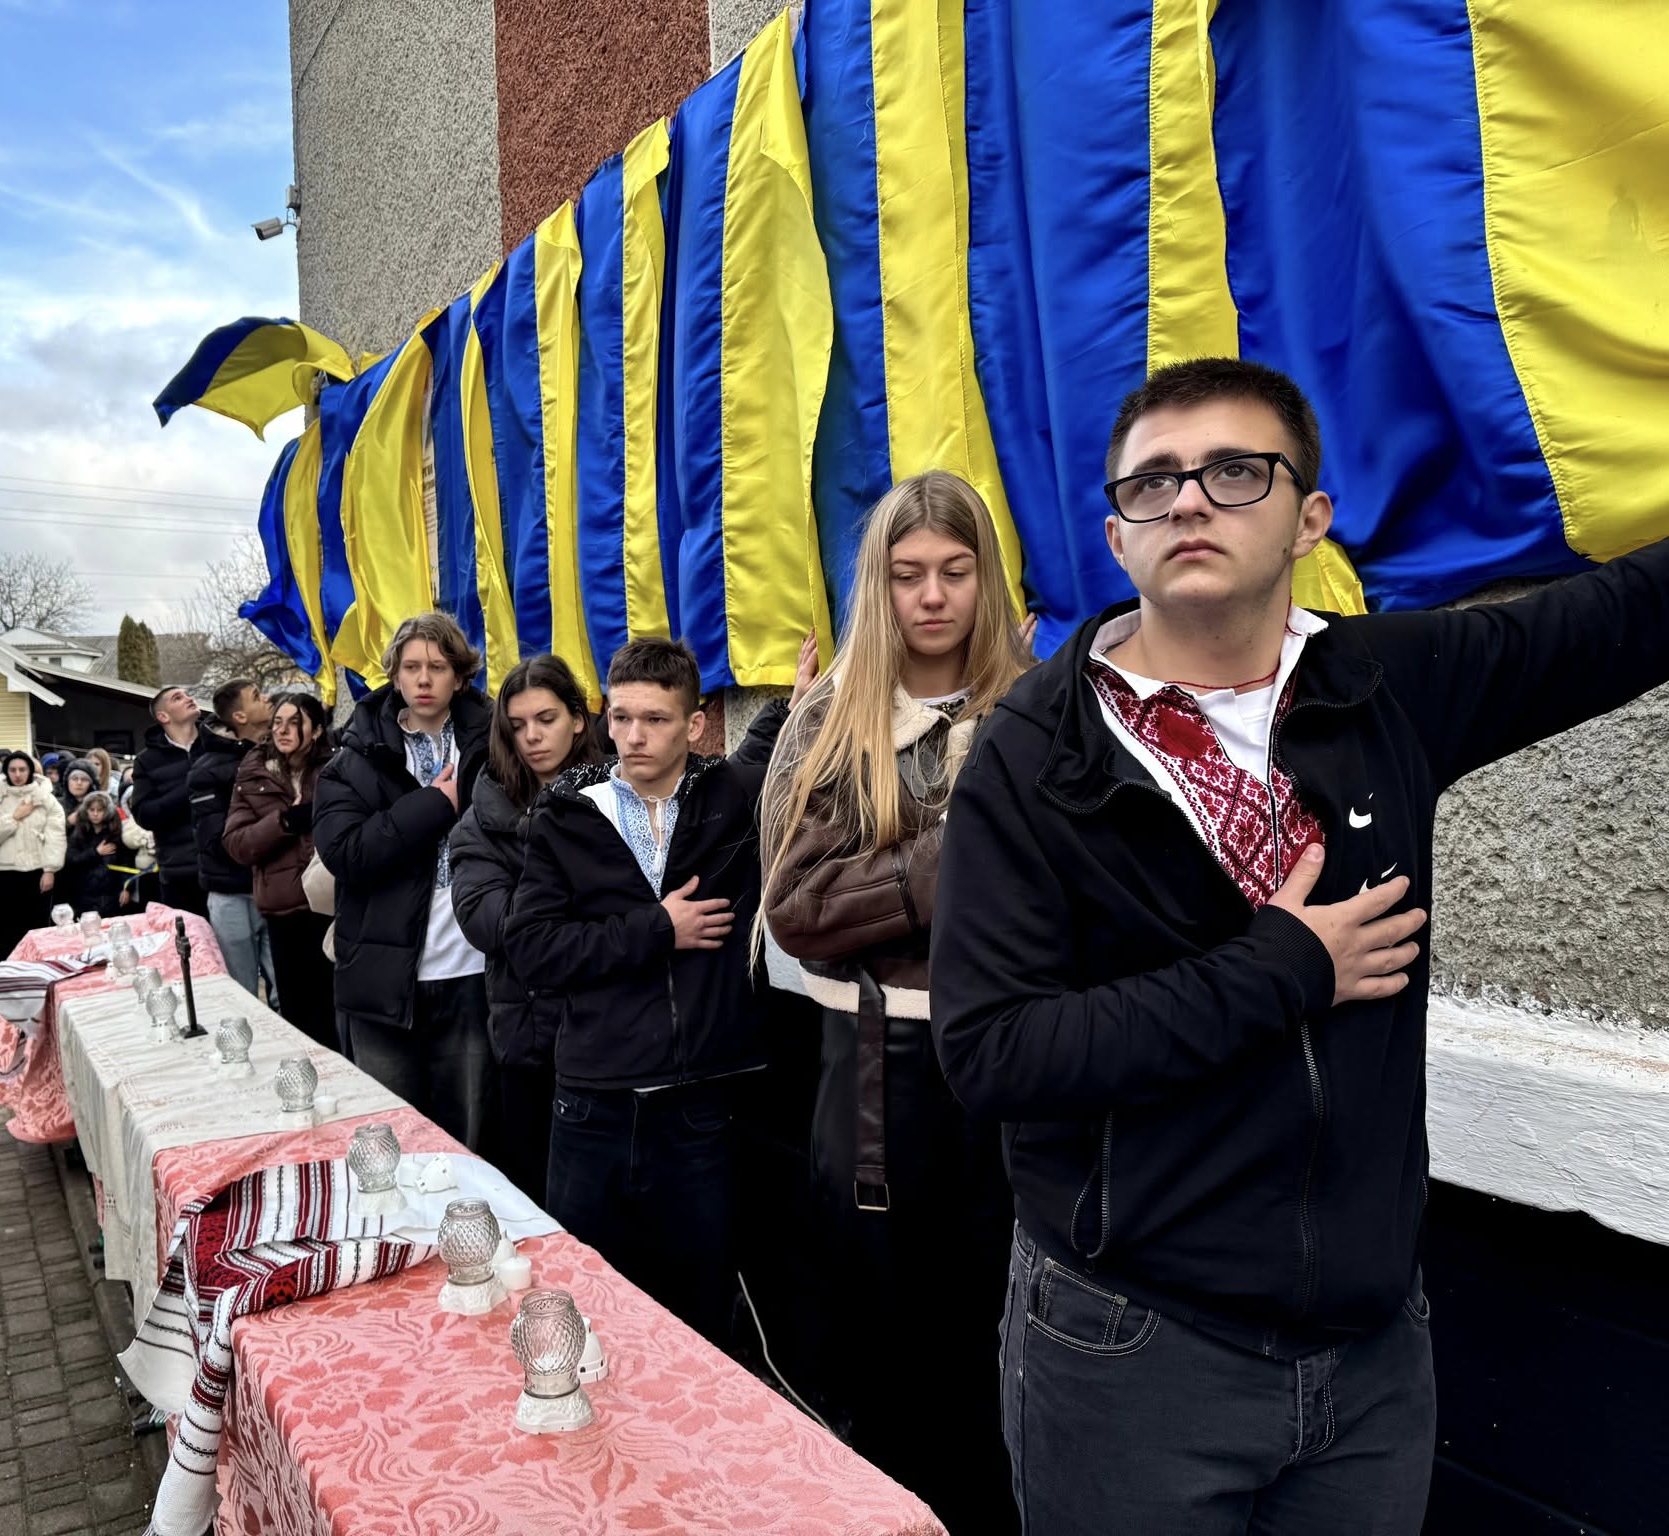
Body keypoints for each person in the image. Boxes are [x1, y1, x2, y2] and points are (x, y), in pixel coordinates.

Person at [931, 357, 1669, 1535]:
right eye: (1151, 484)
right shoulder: (1036, 754)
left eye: (1233, 472)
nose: (1186, 502)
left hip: (1372, 1352)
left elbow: (1619, 621)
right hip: (1133, 1345)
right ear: (1115, 536)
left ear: (1306, 518)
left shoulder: (1387, 685)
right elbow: (993, 1053)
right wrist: (1284, 968)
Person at [759, 471, 1029, 1532]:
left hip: (1020, 1071)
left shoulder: (1038, 709)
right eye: (908, 573)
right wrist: (952, 863)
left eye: (954, 572)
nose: (931, 596)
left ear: (984, 579)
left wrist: (899, 880)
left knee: (1002, 1347)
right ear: (877, 583)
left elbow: (1067, 894)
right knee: (879, 1343)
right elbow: (796, 905)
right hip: (877, 1075)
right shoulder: (829, 717)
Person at [506, 635, 810, 1340]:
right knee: (586, 1305)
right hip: (593, 1105)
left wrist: (798, 701)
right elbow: (530, 949)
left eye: (656, 719)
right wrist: (655, 930)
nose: (634, 736)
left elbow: (770, 753)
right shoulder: (565, 817)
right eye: (621, 717)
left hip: (700, 1106)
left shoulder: (726, 798)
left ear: (695, 723)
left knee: (698, 1309)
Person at [314, 613, 496, 1147]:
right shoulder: (352, 758)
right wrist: (435, 804)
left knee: (473, 1135)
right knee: (393, 1138)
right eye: (411, 666)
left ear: (459, 677)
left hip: (473, 971)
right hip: (383, 980)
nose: (423, 679)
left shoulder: (495, 746)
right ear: (393, 676)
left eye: (437, 667)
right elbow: (346, 854)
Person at [447, 656, 603, 1201]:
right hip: (532, 1045)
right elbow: (492, 926)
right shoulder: (481, 821)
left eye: (547, 718)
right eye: (518, 726)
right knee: (545, 1201)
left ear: (578, 720)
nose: (533, 737)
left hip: (617, 1036)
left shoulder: (621, 795)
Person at [224, 692, 337, 1047]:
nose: (283, 730)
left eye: (294, 722)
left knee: (335, 1011)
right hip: (284, 909)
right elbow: (237, 843)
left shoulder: (336, 767)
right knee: (299, 1016)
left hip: (332, 906)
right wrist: (287, 821)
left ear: (316, 730)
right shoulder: (253, 769)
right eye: (277, 723)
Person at [193, 678, 279, 998]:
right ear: (240, 717)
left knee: (287, 989)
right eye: (257, 695)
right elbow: (216, 841)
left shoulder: (281, 754)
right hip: (232, 891)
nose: (267, 697)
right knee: (243, 992)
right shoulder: (208, 769)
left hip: (277, 887)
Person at [128, 685, 221, 917]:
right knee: (191, 947)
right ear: (163, 716)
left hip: (226, 866)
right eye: (177, 698)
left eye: (188, 695)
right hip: (180, 872)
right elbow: (144, 814)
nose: (188, 699)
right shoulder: (147, 761)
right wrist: (189, 789)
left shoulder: (217, 744)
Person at [0, 752, 66, 966]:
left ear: (30, 771)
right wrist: (13, 817)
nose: (17, 775)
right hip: (4, 873)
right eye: (12, 770)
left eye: (22, 770)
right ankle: (10, 973)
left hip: (36, 870)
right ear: (6, 772)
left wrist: (50, 869)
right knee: (7, 930)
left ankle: (38, 972)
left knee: (37, 928)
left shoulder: (46, 799)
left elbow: (56, 836)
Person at [61, 792, 124, 920]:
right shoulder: (78, 833)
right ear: (86, 811)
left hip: (111, 896)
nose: (95, 814)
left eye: (100, 810)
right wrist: (96, 853)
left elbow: (125, 862)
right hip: (84, 897)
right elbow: (71, 859)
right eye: (92, 810)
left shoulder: (114, 833)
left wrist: (127, 888)